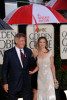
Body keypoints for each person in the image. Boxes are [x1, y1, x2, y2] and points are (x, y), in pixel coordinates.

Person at [2, 33, 36, 100]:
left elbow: (32, 65)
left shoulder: (28, 51)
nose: (24, 43)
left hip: (26, 82)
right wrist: (5, 83)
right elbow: (4, 70)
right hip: (14, 83)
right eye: (22, 41)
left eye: (24, 41)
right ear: (16, 41)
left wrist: (34, 57)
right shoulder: (8, 53)